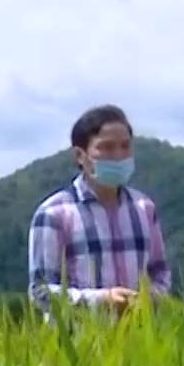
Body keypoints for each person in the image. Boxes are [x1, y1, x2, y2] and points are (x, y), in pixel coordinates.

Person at [27, 104, 171, 314]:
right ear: (80, 155)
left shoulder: (144, 209)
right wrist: (101, 299)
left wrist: (150, 299)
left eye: (125, 146)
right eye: (107, 147)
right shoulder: (54, 213)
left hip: (139, 339)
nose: (118, 155)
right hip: (78, 341)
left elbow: (159, 272)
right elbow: (40, 292)